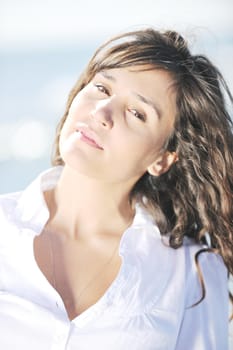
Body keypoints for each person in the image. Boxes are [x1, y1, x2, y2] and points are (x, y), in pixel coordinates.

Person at [0, 27, 232, 350]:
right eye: (101, 88)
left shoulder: (193, 275)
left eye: (137, 113)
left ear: (163, 159)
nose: (101, 113)